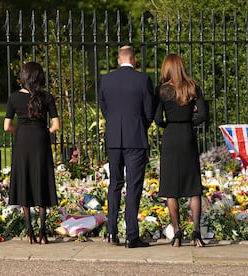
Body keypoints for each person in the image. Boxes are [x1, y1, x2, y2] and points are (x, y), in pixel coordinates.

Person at [99, 45, 156, 248]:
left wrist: (115, 124)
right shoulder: (143, 79)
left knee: (114, 184)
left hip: (114, 138)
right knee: (133, 186)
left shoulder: (106, 80)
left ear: (118, 60)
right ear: (134, 59)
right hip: (135, 138)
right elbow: (150, 110)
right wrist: (140, 125)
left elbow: (104, 107)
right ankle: (132, 235)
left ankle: (112, 232)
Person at [154, 53, 208, 247]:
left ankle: (177, 233)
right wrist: (188, 120)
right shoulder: (193, 87)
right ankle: (196, 233)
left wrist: (170, 123)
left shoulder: (161, 90)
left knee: (171, 188)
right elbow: (202, 115)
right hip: (187, 135)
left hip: (170, 137)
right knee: (194, 187)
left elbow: (158, 119)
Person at [4, 61, 60, 244]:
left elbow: (7, 126)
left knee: (25, 181)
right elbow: (56, 125)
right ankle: (43, 231)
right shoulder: (47, 97)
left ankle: (30, 232)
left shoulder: (13, 98)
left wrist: (19, 131)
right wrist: (44, 132)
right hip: (40, 142)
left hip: (22, 143)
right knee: (41, 179)